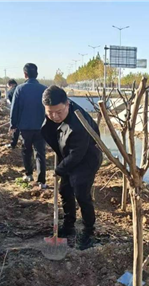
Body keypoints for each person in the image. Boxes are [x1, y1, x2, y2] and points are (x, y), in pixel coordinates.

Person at [41, 85, 102, 250]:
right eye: (50, 112)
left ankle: (88, 231)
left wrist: (59, 169)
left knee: (82, 194)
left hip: (86, 159)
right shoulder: (55, 111)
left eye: (59, 112)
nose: (54, 116)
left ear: (67, 103)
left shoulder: (79, 124)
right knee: (65, 190)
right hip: (68, 155)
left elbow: (77, 155)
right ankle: (69, 225)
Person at [9, 63, 47, 187]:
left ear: (25, 74)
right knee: (40, 153)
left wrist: (13, 124)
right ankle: (41, 181)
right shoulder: (44, 89)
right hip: (41, 127)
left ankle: (29, 174)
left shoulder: (20, 89)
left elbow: (14, 108)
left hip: (25, 127)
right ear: (37, 73)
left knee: (26, 150)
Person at [5, 79, 21, 148]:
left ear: (11, 85)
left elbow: (12, 106)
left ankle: (13, 144)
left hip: (18, 113)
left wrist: (12, 123)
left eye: (8, 86)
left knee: (16, 129)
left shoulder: (10, 92)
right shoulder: (22, 88)